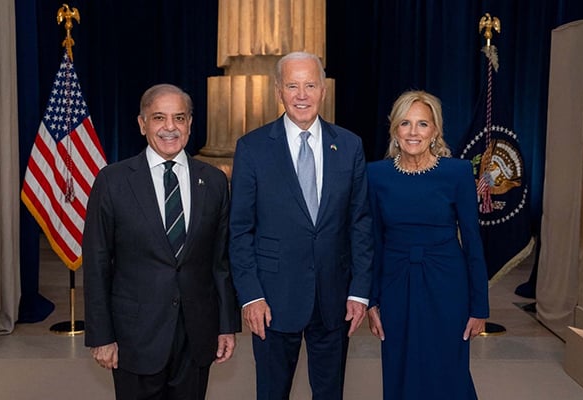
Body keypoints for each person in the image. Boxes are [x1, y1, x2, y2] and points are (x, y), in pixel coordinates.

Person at [229, 51, 373, 399]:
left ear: (323, 90)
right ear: (278, 90)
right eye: (292, 86)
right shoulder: (253, 148)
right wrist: (250, 296)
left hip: (334, 298)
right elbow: (239, 230)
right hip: (272, 300)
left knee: (330, 393)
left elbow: (360, 223)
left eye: (310, 85)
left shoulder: (350, 146)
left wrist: (358, 291)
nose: (302, 95)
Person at [83, 83, 241, 400]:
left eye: (179, 118)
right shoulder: (113, 182)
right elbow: (97, 262)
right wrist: (101, 336)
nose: (170, 127)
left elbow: (220, 263)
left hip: (196, 333)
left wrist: (226, 326)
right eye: (159, 118)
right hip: (134, 336)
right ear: (142, 124)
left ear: (190, 124)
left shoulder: (213, 181)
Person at [366, 90, 489, 399]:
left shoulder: (457, 172)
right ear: (395, 129)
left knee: (448, 370)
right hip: (396, 284)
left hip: (447, 284)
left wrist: (479, 306)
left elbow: (473, 242)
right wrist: (371, 300)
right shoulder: (375, 175)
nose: (413, 132)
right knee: (400, 367)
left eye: (422, 124)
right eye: (405, 123)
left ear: (435, 130)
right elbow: (374, 242)